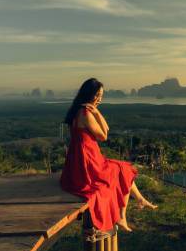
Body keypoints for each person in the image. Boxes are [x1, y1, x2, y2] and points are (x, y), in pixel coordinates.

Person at [60, 78, 157, 232]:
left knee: (123, 168)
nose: (99, 99)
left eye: (101, 95)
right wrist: (96, 112)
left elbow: (106, 128)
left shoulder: (79, 110)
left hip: (84, 159)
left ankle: (139, 200)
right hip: (89, 163)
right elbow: (104, 135)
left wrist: (96, 111)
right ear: (88, 94)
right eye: (97, 95)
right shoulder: (85, 113)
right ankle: (122, 216)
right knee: (125, 169)